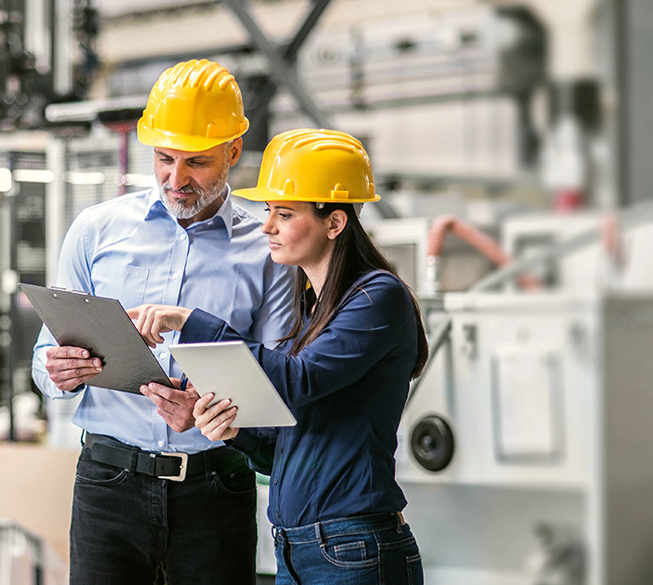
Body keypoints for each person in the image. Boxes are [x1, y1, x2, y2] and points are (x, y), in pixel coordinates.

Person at [31, 59, 296, 585]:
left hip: (215, 486)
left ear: (234, 152)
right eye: (164, 158)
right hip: (108, 483)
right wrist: (55, 371)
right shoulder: (95, 230)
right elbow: (43, 360)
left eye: (196, 161)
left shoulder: (267, 248)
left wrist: (208, 407)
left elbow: (280, 384)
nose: (176, 180)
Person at [129, 128, 429, 585]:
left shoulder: (377, 298)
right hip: (299, 548)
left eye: (285, 213)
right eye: (269, 211)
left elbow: (297, 380)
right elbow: (285, 445)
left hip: (353, 548)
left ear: (335, 222)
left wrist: (189, 320)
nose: (267, 225)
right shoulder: (312, 309)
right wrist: (233, 430)